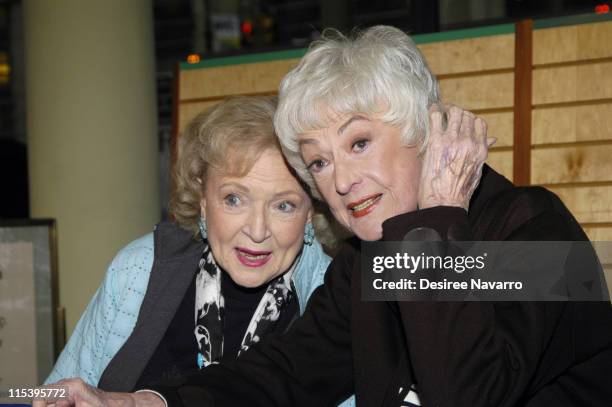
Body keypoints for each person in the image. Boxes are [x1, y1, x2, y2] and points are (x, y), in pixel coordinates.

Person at [36, 26, 612, 407]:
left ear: (423, 131)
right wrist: (144, 401)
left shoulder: (538, 231)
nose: (338, 180)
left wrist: (435, 218)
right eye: (319, 160)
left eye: (359, 142)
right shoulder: (368, 263)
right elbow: (284, 374)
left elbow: (466, 395)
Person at [43, 96, 353, 406]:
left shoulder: (339, 297)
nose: (257, 230)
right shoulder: (141, 269)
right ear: (203, 199)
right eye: (234, 199)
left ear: (312, 210)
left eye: (284, 205)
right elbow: (51, 393)